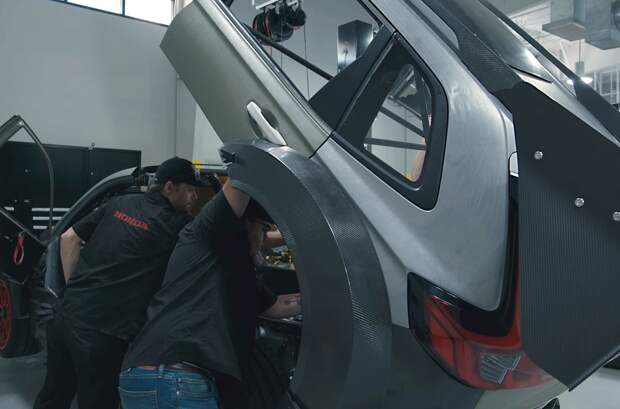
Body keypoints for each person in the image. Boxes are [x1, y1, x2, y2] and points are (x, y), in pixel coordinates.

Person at [34, 157, 205, 409]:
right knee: (98, 402)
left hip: (66, 316)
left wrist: (74, 289)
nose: (195, 197)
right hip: (104, 335)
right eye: (190, 190)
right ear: (170, 187)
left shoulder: (120, 202)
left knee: (54, 395)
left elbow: (68, 238)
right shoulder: (178, 225)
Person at [119, 179, 302, 409]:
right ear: (245, 224)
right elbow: (242, 178)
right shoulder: (207, 234)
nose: (265, 239)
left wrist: (325, 299)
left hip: (150, 376)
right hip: (176, 379)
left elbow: (278, 307)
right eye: (264, 229)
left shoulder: (235, 270)